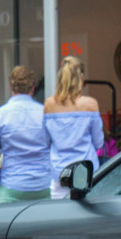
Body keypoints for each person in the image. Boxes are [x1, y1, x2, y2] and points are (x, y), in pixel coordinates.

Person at [0, 66, 51, 203]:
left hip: (11, 186)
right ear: (32, 87)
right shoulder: (45, 113)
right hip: (43, 186)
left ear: (11, 87)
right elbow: (54, 147)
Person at [43, 57, 104, 199]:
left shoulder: (49, 104)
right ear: (81, 77)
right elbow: (99, 143)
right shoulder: (90, 104)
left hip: (59, 173)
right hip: (85, 172)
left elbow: (45, 142)